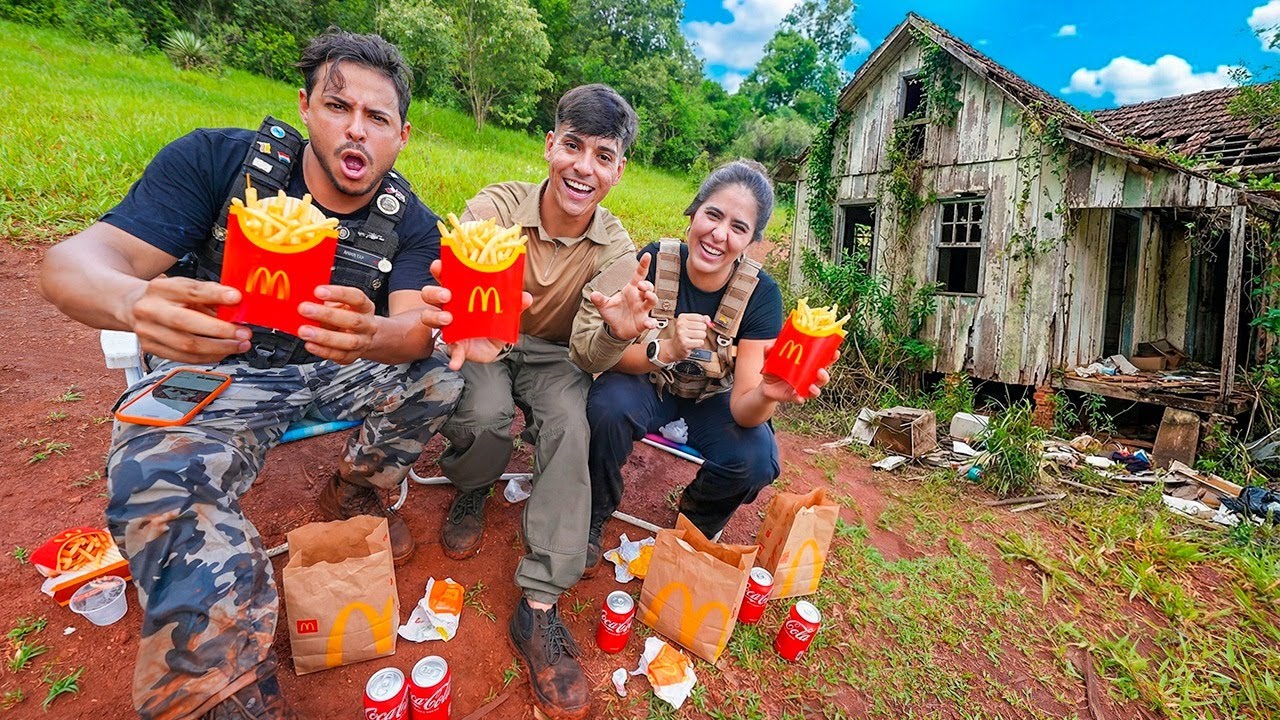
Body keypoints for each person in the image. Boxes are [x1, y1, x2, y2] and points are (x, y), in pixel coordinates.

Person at [38, 31, 484, 720]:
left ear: (402, 136)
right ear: (307, 106)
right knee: (155, 477)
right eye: (339, 106)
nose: (356, 129)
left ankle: (358, 489)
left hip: (336, 370)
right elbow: (73, 262)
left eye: (378, 118)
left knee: (441, 375)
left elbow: (413, 331)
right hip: (219, 370)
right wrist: (133, 301)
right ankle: (224, 691)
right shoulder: (218, 162)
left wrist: (374, 333)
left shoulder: (405, 219)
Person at [436, 84, 655, 720]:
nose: (583, 167)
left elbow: (588, 355)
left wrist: (616, 330)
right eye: (573, 146)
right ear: (549, 145)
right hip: (488, 340)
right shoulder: (498, 206)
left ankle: (538, 604)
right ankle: (474, 487)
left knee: (570, 422)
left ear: (619, 170)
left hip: (557, 355)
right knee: (483, 415)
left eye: (603, 155)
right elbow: (467, 269)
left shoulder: (616, 249)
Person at [585, 159, 831, 557]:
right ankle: (594, 512)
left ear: (751, 241)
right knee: (606, 407)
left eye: (738, 228)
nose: (719, 234)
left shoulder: (761, 296)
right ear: (694, 211)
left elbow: (744, 409)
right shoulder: (654, 262)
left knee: (755, 459)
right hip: (649, 383)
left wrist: (768, 393)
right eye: (713, 214)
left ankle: (693, 525)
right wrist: (665, 349)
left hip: (714, 398)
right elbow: (610, 359)